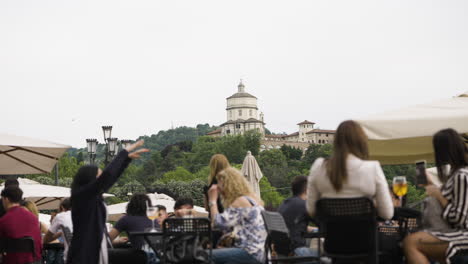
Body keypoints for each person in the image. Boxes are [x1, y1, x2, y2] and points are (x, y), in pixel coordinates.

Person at [68, 140, 149, 264]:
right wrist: (124, 152)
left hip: (96, 249)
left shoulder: (93, 197)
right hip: (84, 253)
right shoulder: (82, 196)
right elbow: (107, 177)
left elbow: (110, 179)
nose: (102, 179)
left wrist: (126, 160)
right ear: (90, 179)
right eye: (99, 176)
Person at [306, 120, 394, 220]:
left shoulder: (319, 166)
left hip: (332, 234)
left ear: (336, 141)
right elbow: (387, 214)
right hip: (364, 234)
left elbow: (311, 211)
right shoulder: (372, 168)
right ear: (361, 141)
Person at [404, 128, 468, 264]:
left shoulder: (461, 176)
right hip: (457, 233)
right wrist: (431, 186)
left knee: (411, 242)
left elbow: (460, 219)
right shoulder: (457, 174)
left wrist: (439, 195)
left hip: (463, 235)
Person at [208, 167, 267, 264]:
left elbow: (218, 223)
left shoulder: (240, 201)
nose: (218, 187)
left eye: (219, 183)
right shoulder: (252, 200)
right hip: (260, 253)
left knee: (202, 256)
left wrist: (212, 200)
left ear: (227, 184)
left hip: (249, 252)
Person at [0, 186, 42, 264]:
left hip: (12, 261)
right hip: (34, 260)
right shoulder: (34, 218)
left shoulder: (3, 220)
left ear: (6, 199)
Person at [278, 175, 317, 257]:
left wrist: (315, 229)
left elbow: (293, 226)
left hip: (282, 253)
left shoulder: (284, 204)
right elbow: (323, 225)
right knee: (329, 255)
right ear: (307, 190)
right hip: (297, 251)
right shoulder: (304, 205)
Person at [43, 198, 72, 264]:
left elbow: (46, 239)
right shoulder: (88, 215)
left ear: (62, 207)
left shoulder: (60, 216)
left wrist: (61, 233)